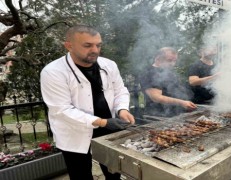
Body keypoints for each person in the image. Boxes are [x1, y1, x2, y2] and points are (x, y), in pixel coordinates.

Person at [40, 25, 135, 180]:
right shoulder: (53, 72)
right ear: (69, 45)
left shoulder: (109, 65)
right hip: (75, 131)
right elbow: (61, 109)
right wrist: (102, 122)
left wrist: (122, 110)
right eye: (88, 45)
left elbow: (120, 91)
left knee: (114, 173)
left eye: (98, 45)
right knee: (80, 175)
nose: (95, 50)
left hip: (109, 127)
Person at [140, 47, 197, 117]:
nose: (172, 64)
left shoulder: (169, 72)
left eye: (174, 61)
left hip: (176, 114)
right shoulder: (149, 73)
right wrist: (182, 103)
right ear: (158, 59)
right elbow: (156, 97)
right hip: (158, 115)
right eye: (169, 61)